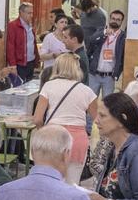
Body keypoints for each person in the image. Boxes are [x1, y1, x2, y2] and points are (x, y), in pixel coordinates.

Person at [34, 53, 98, 184]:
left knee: (50, 182)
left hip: (53, 138)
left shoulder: (48, 86)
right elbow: (98, 119)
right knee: (72, 184)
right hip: (78, 140)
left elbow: (37, 119)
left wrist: (43, 130)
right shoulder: (87, 91)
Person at [88, 18, 126, 97]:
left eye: (118, 19)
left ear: (121, 22)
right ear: (109, 19)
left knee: (108, 102)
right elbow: (91, 40)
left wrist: (116, 73)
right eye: (113, 18)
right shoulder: (101, 31)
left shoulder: (123, 36)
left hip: (109, 77)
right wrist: (104, 33)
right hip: (94, 74)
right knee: (90, 100)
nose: (115, 21)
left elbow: (123, 57)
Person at [5, 2, 40, 82]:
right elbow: (10, 46)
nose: (31, 15)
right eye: (29, 13)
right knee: (19, 88)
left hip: (31, 62)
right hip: (20, 63)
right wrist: (13, 65)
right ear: (21, 13)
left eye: (32, 13)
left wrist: (37, 59)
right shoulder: (13, 25)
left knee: (29, 86)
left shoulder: (30, 25)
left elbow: (33, 43)